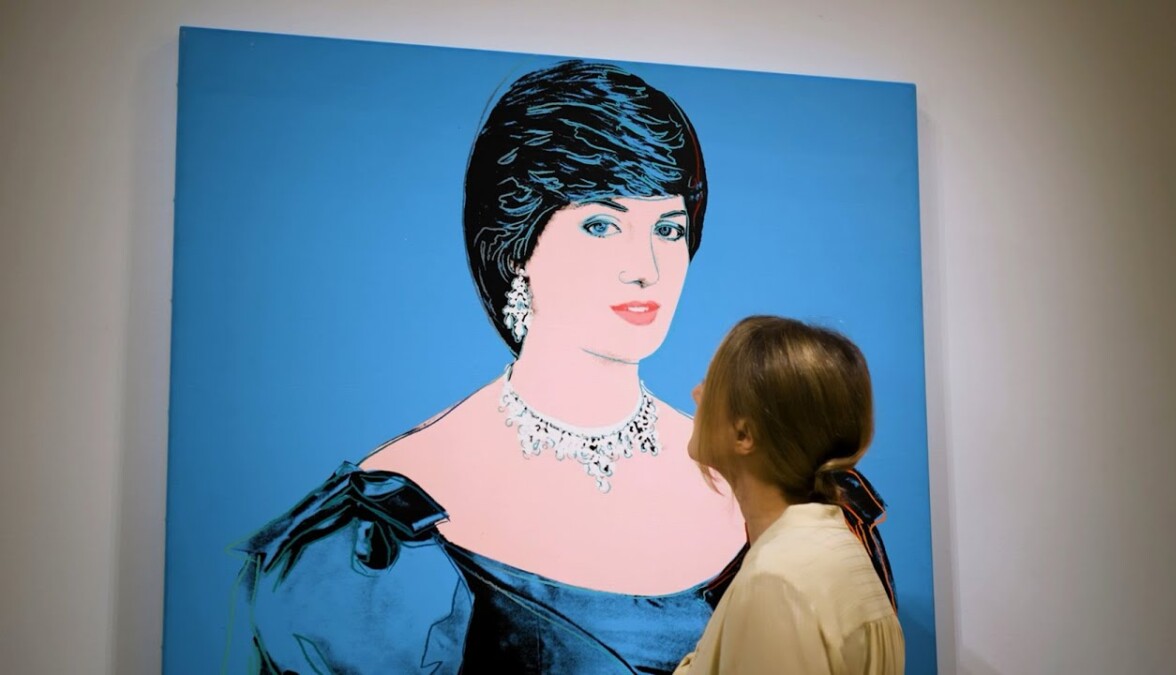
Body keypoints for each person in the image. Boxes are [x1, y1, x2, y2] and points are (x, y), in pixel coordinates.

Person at [224, 61, 894, 674]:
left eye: (668, 228)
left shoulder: (783, 482)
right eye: (602, 225)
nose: (647, 268)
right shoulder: (382, 531)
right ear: (516, 246)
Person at [674, 316, 904, 675]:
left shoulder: (778, 581)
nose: (696, 393)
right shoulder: (826, 555)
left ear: (744, 435)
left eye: (711, 384)